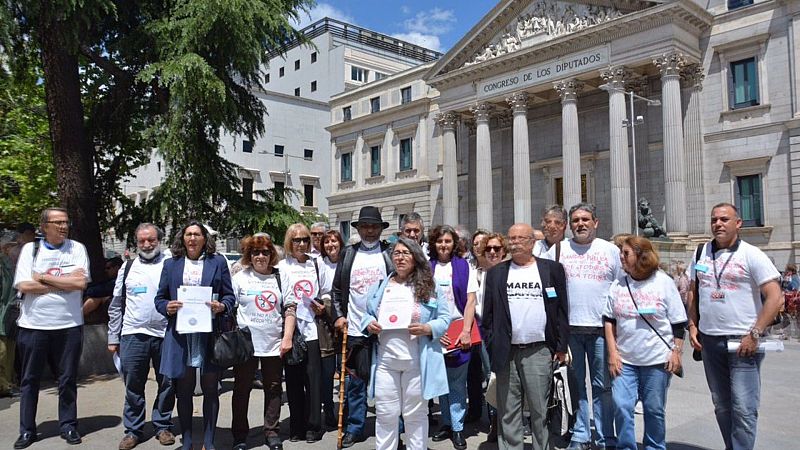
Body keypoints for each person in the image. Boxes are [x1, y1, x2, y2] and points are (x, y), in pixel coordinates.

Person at [687, 203, 782, 450]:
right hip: (710, 340)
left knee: (744, 406)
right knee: (721, 403)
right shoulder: (700, 253)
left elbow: (775, 297)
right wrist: (692, 324)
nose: (718, 224)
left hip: (743, 341)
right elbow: (693, 291)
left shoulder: (752, 254)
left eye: (724, 219)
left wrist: (755, 333)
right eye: (714, 220)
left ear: (737, 223)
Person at [482, 223, 569, 450]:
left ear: (532, 242)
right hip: (507, 352)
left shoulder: (552, 269)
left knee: (541, 408)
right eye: (511, 239)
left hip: (539, 350)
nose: (515, 243)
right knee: (508, 409)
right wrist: (492, 344)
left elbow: (561, 311)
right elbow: (488, 317)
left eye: (521, 238)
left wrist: (560, 346)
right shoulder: (496, 274)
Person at [543, 203, 621, 450]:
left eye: (585, 219)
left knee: (603, 387)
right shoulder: (557, 250)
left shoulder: (610, 251)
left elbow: (620, 289)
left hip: (601, 330)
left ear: (595, 222)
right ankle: (580, 434)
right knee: (575, 386)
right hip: (570, 331)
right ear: (570, 224)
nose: (580, 224)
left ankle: (605, 436)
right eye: (576, 220)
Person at [362, 237, 451, 450]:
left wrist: (428, 328)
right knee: (386, 413)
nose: (400, 258)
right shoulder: (380, 286)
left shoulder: (430, 285)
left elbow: (445, 318)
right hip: (386, 361)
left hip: (416, 363)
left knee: (415, 414)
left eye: (406, 253)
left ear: (415, 257)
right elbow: (366, 314)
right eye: (397, 253)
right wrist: (369, 324)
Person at [154, 220, 235, 450]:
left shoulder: (217, 262)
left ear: (204, 238)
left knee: (211, 389)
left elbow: (230, 296)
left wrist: (222, 306)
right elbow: (159, 298)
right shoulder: (171, 264)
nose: (192, 239)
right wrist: (166, 306)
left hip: (209, 334)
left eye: (197, 234)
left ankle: (209, 441)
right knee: (184, 390)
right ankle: (188, 440)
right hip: (181, 335)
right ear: (182, 238)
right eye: (188, 234)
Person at [13, 208, 90, 448]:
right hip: (34, 325)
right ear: (44, 226)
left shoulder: (77, 249)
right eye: (57, 222)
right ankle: (27, 430)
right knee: (30, 380)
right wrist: (63, 283)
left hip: (68, 325)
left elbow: (80, 283)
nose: (63, 226)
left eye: (66, 222)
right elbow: (24, 284)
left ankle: (68, 425)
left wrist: (43, 278)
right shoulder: (31, 250)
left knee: (67, 379)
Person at [603, 236, 687, 450]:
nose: (621, 257)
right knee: (621, 406)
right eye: (621, 253)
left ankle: (654, 446)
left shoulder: (664, 282)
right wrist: (612, 353)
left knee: (654, 409)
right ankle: (626, 446)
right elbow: (609, 320)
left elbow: (678, 322)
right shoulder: (619, 284)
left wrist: (676, 352)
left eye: (626, 253)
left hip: (657, 360)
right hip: (625, 360)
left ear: (641, 257)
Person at [107, 223, 175, 450]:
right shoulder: (127, 268)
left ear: (160, 240)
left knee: (167, 383)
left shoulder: (170, 264)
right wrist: (112, 337)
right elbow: (116, 304)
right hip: (133, 335)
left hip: (166, 334)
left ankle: (162, 425)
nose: (147, 244)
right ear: (136, 243)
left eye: (151, 240)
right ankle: (133, 430)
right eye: (142, 241)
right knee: (133, 385)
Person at [333, 206, 394, 448]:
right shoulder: (349, 254)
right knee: (356, 382)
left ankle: (393, 427)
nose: (370, 231)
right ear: (358, 229)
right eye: (365, 226)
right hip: (356, 328)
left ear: (380, 229)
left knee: (388, 382)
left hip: (385, 329)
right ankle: (355, 427)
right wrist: (339, 316)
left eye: (374, 226)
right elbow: (337, 291)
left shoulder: (389, 253)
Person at [230, 233, 296, 450]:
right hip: (246, 344)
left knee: (274, 387)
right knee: (241, 389)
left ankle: (271, 431)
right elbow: (230, 306)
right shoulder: (241, 277)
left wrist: (287, 337)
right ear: (249, 255)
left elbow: (290, 308)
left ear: (271, 255)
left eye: (265, 252)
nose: (260, 256)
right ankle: (240, 435)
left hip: (273, 343)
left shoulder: (280, 276)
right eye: (256, 252)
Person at [278, 223, 331, 443]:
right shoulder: (281, 266)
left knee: (313, 379)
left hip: (313, 330)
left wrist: (323, 306)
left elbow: (327, 292)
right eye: (296, 240)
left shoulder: (317, 265)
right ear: (289, 243)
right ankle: (296, 425)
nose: (301, 244)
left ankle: (313, 425)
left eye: (305, 240)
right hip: (292, 330)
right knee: (293, 379)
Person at [429, 225, 478, 450]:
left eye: (448, 241)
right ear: (434, 243)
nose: (444, 245)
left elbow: (470, 301)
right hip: (435, 331)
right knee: (441, 382)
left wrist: (467, 330)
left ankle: (458, 428)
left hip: (459, 328)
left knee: (457, 382)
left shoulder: (464, 266)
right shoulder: (427, 268)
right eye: (440, 241)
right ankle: (446, 423)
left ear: (454, 243)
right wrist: (434, 332)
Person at [476, 232, 509, 442]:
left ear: (503, 251)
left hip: (505, 334)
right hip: (485, 333)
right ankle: (494, 422)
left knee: (506, 380)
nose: (493, 252)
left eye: (497, 249)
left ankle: (508, 423)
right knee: (490, 379)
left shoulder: (510, 272)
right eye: (489, 249)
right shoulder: (478, 274)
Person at [320, 229, 345, 428]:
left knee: (345, 368)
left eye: (334, 241)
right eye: (327, 242)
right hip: (325, 321)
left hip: (345, 318)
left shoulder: (347, 262)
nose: (331, 245)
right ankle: (328, 408)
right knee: (327, 371)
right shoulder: (319, 264)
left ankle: (346, 410)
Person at [465, 229, 489, 424]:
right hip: (473, 323)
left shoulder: (497, 266)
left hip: (490, 325)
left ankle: (493, 414)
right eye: (475, 243)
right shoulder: (468, 267)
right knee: (473, 370)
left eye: (483, 242)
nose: (479, 246)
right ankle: (474, 409)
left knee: (491, 371)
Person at [0, 232, 18, 399]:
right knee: (3, 352)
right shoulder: (3, 264)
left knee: (9, 351)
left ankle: (8, 384)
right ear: (6, 248)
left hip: (10, 315)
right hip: (3, 315)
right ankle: (3, 386)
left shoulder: (10, 264)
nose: (17, 249)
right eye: (14, 246)